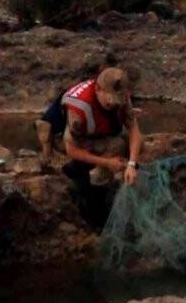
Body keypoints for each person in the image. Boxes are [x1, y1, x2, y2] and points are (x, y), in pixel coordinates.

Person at [35, 67, 143, 227]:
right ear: (98, 89)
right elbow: (71, 149)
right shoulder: (79, 109)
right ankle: (94, 185)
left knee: (132, 145)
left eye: (117, 101)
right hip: (64, 138)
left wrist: (132, 164)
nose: (113, 104)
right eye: (110, 101)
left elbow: (134, 130)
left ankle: (105, 176)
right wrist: (107, 163)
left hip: (94, 133)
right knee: (114, 148)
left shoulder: (122, 97)